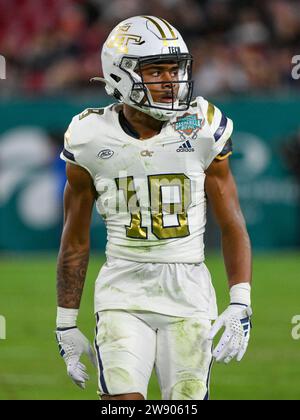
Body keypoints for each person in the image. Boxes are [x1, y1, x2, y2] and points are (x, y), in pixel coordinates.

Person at [55, 16, 252, 401]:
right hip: (122, 291)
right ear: (120, 74)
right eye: (156, 70)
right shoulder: (89, 136)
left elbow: (232, 223)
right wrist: (65, 322)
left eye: (174, 69)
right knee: (122, 403)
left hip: (189, 292)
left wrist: (241, 300)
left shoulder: (201, 126)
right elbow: (74, 238)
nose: (170, 81)